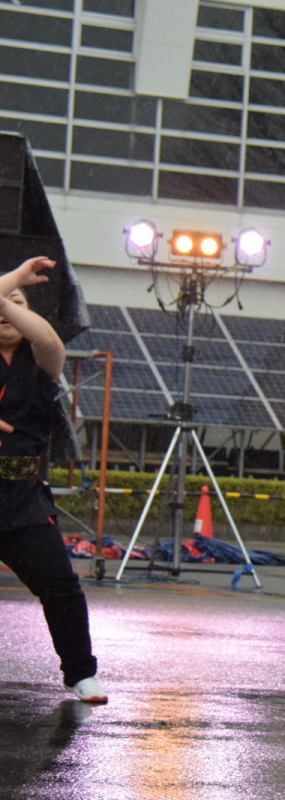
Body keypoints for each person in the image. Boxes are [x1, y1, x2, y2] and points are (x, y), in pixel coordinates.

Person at [0, 256, 107, 703]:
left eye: (17, 303)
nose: (7, 309)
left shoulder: (42, 358)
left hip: (21, 495)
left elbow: (45, 334)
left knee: (60, 586)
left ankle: (80, 674)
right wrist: (13, 282)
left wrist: (9, 293)